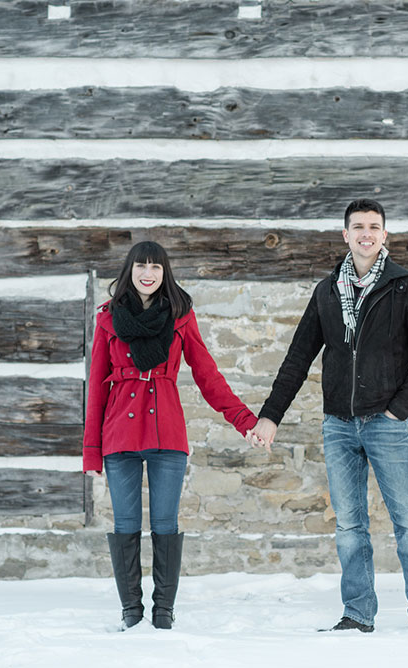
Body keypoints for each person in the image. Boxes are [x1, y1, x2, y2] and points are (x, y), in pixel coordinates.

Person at [248, 198, 408, 634]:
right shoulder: (326, 291)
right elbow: (297, 359)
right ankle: (357, 614)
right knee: (350, 526)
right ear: (345, 235)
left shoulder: (406, 286)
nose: (366, 233)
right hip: (338, 424)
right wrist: (270, 417)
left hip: (386, 424)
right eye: (358, 226)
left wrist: (397, 411)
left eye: (374, 226)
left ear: (384, 235)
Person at [84, 240, 260, 630]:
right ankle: (132, 611)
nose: (148, 274)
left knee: (165, 524)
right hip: (119, 434)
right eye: (141, 266)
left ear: (165, 273)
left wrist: (245, 421)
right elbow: (95, 387)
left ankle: (163, 612)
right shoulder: (107, 319)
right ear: (129, 271)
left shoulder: (180, 317)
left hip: (166, 431)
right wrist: (91, 451)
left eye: (156, 267)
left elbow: (208, 376)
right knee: (125, 524)